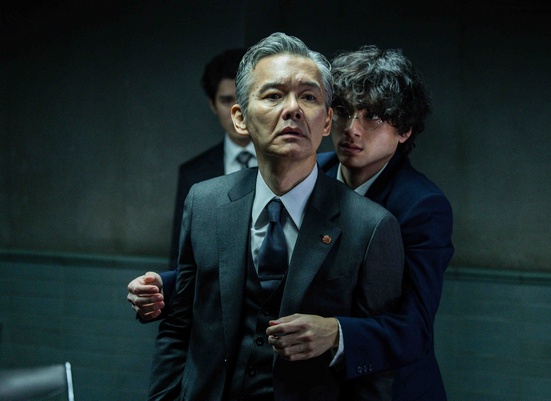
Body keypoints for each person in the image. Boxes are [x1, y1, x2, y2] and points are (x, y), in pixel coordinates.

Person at [145, 32, 404, 400]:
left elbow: (375, 370)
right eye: (273, 95)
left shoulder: (371, 226)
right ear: (240, 118)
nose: (293, 109)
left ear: (327, 121)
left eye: (309, 97)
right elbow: (178, 328)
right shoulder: (204, 202)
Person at [267, 46, 454, 400]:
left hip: (393, 388)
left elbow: (415, 329)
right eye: (343, 111)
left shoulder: (422, 206)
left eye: (373, 117)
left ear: (404, 130)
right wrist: (170, 285)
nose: (352, 129)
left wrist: (337, 333)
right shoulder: (308, 170)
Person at [128, 48, 257, 320]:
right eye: (226, 100)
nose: (237, 110)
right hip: (213, 314)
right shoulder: (194, 173)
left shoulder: (290, 162)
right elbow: (182, 258)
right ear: (212, 104)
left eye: (244, 98)